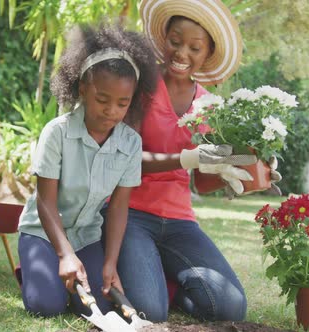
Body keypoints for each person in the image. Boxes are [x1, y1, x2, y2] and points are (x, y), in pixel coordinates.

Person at [102, 0, 282, 322]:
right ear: (164, 39)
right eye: (175, 41)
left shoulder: (209, 106)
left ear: (206, 54)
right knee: (150, 311)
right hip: (130, 213)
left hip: (179, 221)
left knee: (230, 307)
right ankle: (153, 278)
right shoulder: (139, 85)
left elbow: (202, 178)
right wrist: (186, 158)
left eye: (194, 47)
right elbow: (122, 158)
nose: (182, 53)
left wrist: (237, 180)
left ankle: (163, 277)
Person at [16, 23, 157, 317]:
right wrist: (66, 255)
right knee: (48, 306)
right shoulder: (57, 133)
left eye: (123, 103)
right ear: (82, 89)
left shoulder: (130, 143)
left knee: (103, 305)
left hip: (87, 236)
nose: (112, 111)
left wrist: (110, 263)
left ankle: (54, 274)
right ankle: (33, 271)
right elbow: (45, 201)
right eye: (102, 100)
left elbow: (119, 207)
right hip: (43, 232)